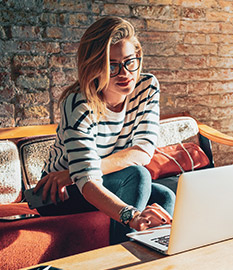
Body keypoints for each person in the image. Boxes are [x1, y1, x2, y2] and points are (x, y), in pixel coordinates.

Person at [33, 16, 175, 245]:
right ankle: (119, 261)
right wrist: (133, 216)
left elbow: (143, 152)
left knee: (165, 196)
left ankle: (154, 260)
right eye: (112, 65)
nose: (124, 73)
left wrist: (74, 172)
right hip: (57, 192)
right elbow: (88, 182)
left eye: (130, 61)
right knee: (138, 175)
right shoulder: (78, 103)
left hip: (83, 177)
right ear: (95, 66)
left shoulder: (147, 88)